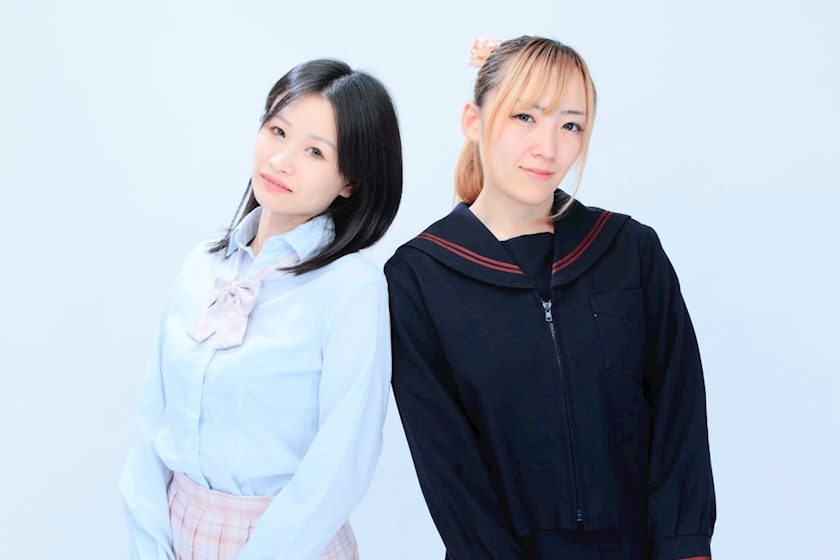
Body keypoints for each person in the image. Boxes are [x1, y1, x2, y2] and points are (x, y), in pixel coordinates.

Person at [385, 36, 715, 560]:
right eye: (525, 117)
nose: (549, 148)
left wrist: (685, 546)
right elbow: (447, 464)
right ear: (473, 120)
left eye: (571, 125)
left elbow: (680, 415)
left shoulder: (630, 250)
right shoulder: (419, 277)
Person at [120, 58, 402, 560]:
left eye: (315, 151)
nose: (281, 160)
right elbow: (151, 422)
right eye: (277, 131)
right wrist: (149, 544)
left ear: (350, 181)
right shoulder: (202, 264)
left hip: (288, 544)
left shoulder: (351, 289)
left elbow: (342, 462)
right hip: (174, 530)